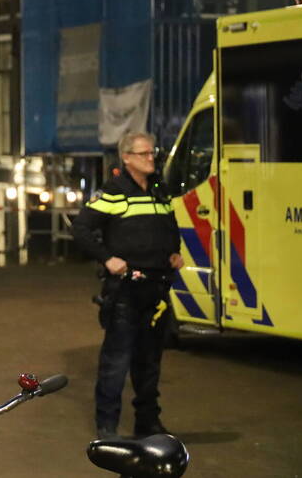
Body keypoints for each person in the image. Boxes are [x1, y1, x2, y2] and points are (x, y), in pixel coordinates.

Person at [71, 131, 184, 441]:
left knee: (149, 363)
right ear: (128, 158)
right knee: (116, 362)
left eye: (153, 153)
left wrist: (174, 252)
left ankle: (148, 423)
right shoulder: (114, 192)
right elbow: (80, 229)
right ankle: (107, 427)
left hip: (157, 289)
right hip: (125, 291)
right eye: (145, 154)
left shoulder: (160, 190)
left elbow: (169, 228)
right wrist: (107, 259)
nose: (152, 158)